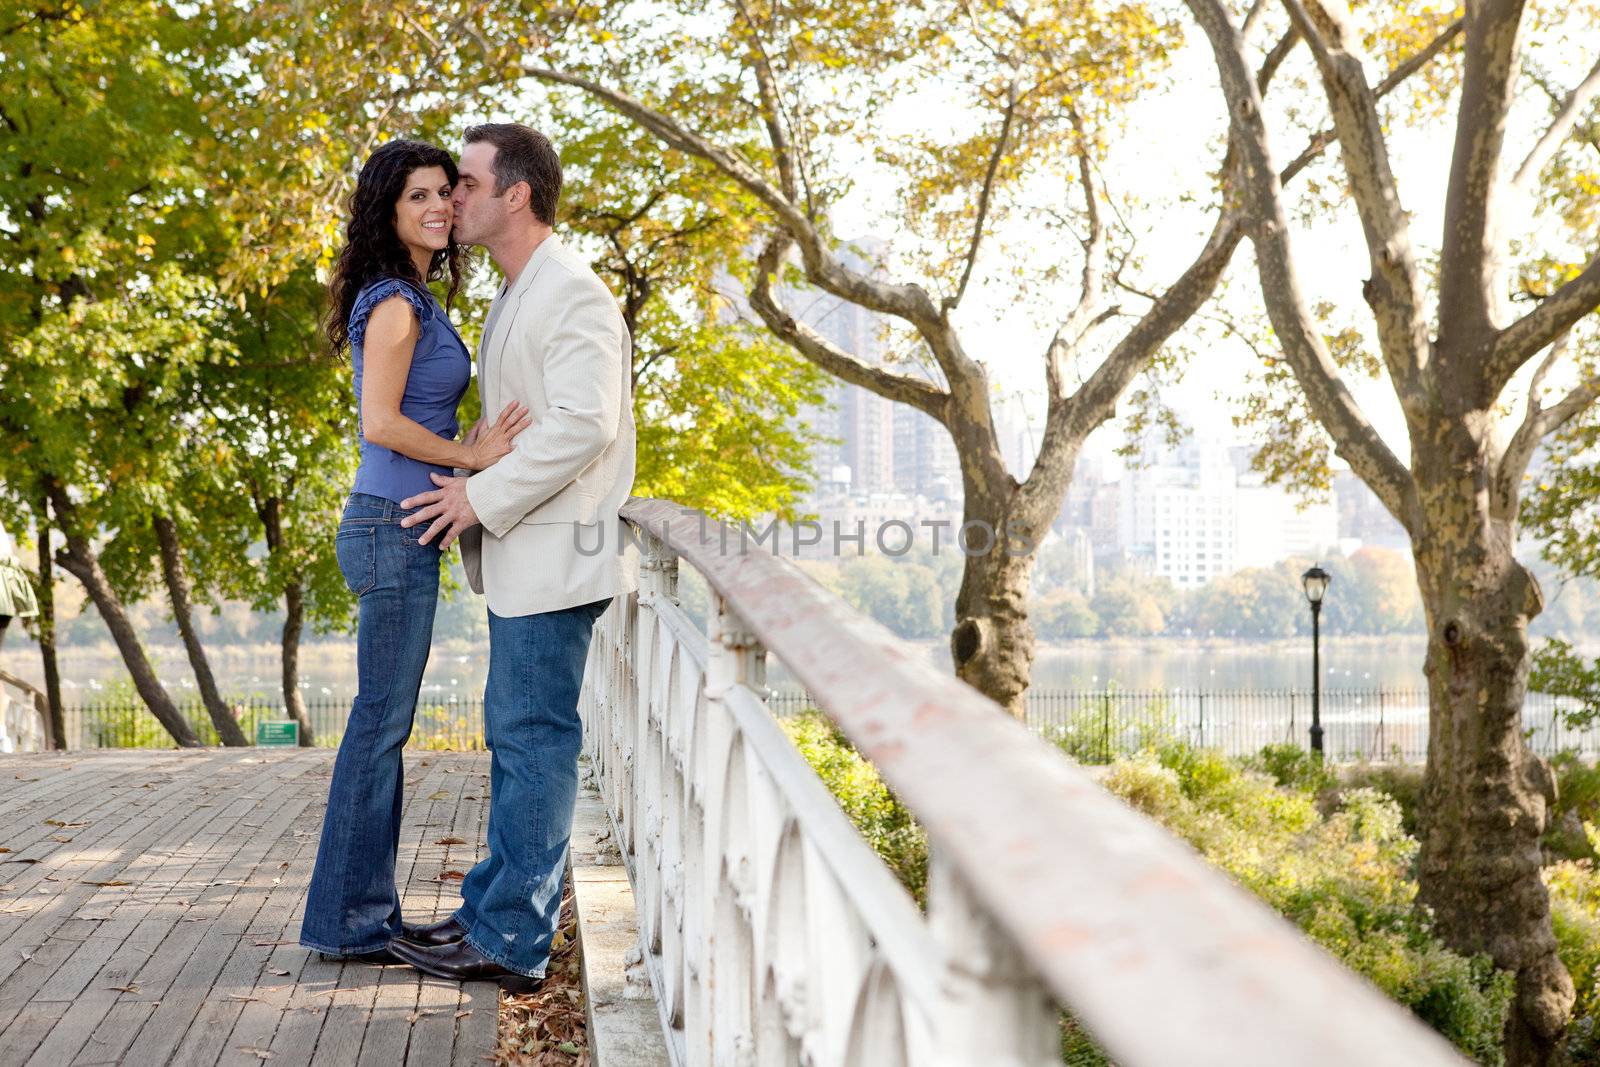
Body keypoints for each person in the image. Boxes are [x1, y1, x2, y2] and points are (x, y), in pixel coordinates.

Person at [389, 123, 639, 992]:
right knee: (516, 738)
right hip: (527, 557)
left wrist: (476, 498)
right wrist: (473, 458)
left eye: (465, 181)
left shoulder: (569, 291)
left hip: (553, 556)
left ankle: (510, 941)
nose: (452, 197)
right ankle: (491, 907)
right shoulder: (517, 290)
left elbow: (583, 423)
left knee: (533, 742)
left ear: (515, 194)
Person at [297, 139, 532, 966]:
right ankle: (352, 923)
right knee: (378, 726)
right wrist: (474, 460)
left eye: (444, 192)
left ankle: (360, 914)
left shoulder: (417, 296)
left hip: (402, 527)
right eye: (418, 196)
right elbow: (380, 424)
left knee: (379, 726)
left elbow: (419, 424)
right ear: (388, 213)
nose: (438, 206)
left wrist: (471, 443)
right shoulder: (394, 301)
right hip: (388, 528)